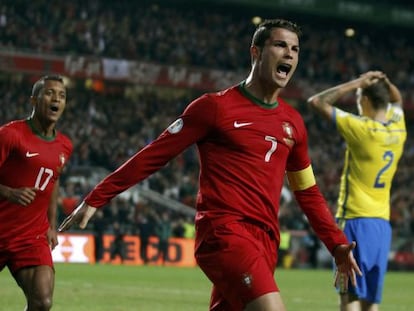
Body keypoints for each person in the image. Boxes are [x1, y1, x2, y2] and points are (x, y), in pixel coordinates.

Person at [59, 19, 361, 311]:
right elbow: (155, 154)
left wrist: (336, 245)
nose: (289, 55)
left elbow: (307, 192)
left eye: (295, 49)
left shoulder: (293, 123)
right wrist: (97, 197)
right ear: (255, 52)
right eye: (280, 45)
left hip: (266, 240)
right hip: (224, 233)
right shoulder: (215, 108)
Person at [307, 71, 406, 311]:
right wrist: (385, 82)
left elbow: (316, 102)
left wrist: (357, 83)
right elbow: (398, 100)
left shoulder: (361, 129)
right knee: (371, 303)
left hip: (354, 222)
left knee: (349, 296)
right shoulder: (398, 128)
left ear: (366, 101)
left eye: (359, 99)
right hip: (381, 227)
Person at [0, 75, 72, 311]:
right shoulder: (10, 135)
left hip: (31, 236)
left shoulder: (64, 146)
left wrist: (51, 224)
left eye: (61, 96)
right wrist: (8, 192)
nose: (56, 99)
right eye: (50, 93)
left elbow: (53, 181)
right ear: (34, 100)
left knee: (42, 301)